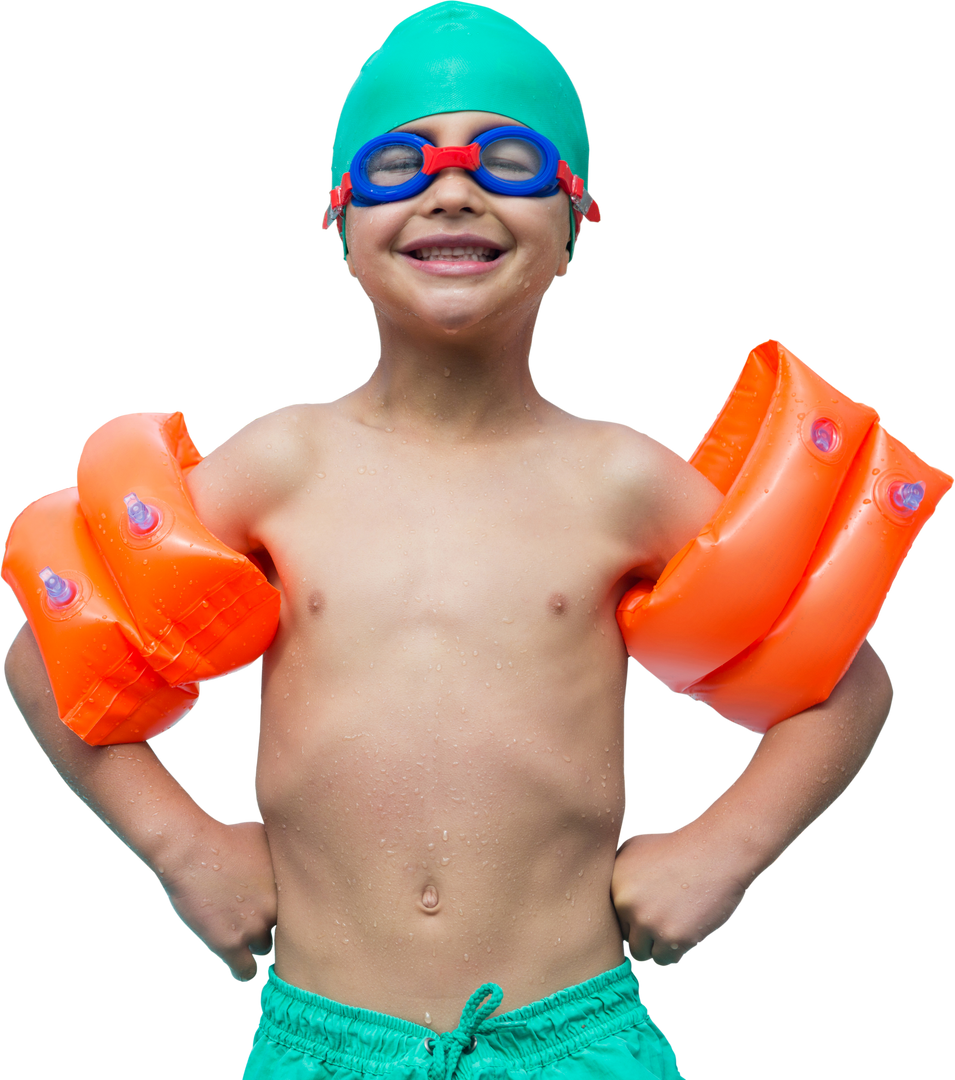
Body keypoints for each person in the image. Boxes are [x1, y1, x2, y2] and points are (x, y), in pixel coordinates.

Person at [3, 3, 924, 1077]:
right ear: (337, 223)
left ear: (576, 222)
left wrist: (724, 851)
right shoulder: (279, 466)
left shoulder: (621, 480)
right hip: (323, 1040)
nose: (453, 188)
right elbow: (47, 655)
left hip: (573, 1034)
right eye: (400, 164)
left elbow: (846, 686)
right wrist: (183, 849)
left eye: (510, 161)